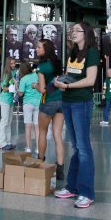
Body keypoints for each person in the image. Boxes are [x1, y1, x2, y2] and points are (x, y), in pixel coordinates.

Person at [53, 22, 100, 209]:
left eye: (77, 31)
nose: (73, 33)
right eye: (72, 31)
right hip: (68, 101)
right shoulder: (73, 52)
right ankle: (72, 187)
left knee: (83, 147)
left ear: (86, 34)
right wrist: (61, 81)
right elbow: (70, 73)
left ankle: (87, 193)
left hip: (81, 102)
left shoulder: (92, 53)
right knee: (76, 146)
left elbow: (90, 80)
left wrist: (68, 86)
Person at [35, 39, 65, 180]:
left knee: (42, 131)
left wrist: (35, 86)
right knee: (57, 136)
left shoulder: (42, 67)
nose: (36, 49)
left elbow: (42, 90)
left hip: (48, 102)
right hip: (61, 101)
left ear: (45, 50)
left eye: (39, 47)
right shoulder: (57, 64)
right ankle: (60, 168)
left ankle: (40, 161)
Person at [18, 62, 42, 155]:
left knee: (28, 126)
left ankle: (28, 147)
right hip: (38, 103)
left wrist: (16, 86)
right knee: (37, 127)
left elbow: (20, 93)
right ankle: (37, 148)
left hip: (28, 104)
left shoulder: (23, 79)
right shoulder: (37, 75)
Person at [0, 58, 17, 151]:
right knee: (4, 121)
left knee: (9, 121)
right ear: (8, 64)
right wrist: (11, 89)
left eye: (14, 63)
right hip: (5, 100)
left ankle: (8, 142)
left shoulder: (14, 73)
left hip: (10, 100)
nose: (13, 65)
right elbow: (4, 88)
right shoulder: (6, 74)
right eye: (11, 63)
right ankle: (2, 143)